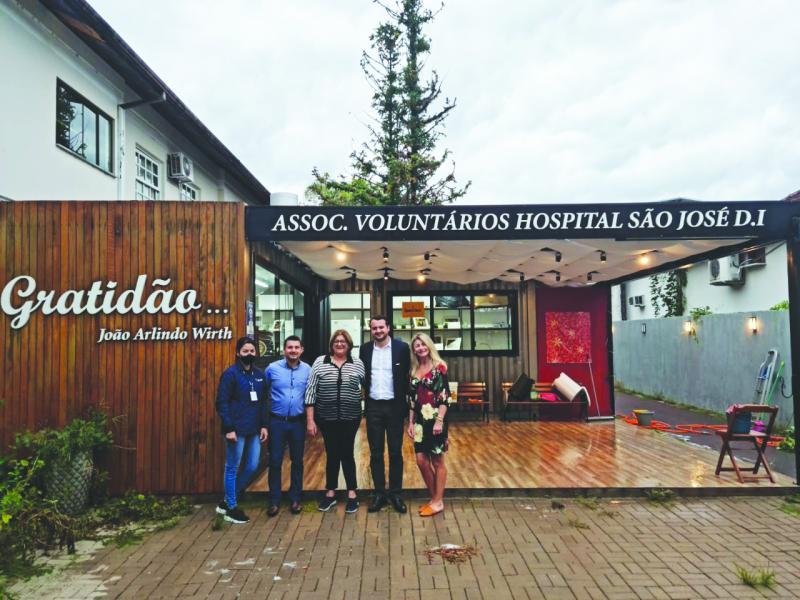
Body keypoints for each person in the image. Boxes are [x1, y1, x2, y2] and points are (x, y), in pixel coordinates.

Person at [305, 329, 365, 514]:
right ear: (331, 344)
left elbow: (365, 387)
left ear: (349, 344)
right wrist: (310, 420)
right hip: (327, 418)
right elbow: (310, 391)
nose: (340, 344)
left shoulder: (357, 363)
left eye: (343, 341)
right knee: (332, 454)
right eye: (336, 341)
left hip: (350, 417)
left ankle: (352, 495)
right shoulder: (320, 362)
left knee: (347, 454)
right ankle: (330, 493)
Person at [359, 315, 411, 514]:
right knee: (376, 452)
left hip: (395, 407)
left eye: (381, 327)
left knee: (396, 452)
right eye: (374, 328)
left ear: (388, 327)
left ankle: (396, 493)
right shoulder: (365, 349)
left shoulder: (401, 348)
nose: (378, 331)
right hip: (373, 407)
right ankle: (379, 493)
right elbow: (363, 376)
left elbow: (407, 374)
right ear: (370, 330)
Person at [215, 336, 269, 524]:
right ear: (238, 353)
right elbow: (222, 403)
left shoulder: (260, 375)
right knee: (232, 468)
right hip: (236, 430)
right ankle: (231, 507)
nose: (249, 354)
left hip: (254, 429)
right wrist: (229, 428)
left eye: (252, 351)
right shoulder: (230, 374)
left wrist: (263, 425)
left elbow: (263, 402)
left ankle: (229, 499)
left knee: (252, 466)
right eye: (245, 351)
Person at [264, 336, 311, 517]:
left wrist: (310, 420)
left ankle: (295, 499)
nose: (293, 350)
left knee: (297, 461)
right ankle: (274, 501)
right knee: (275, 461)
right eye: (289, 347)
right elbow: (264, 393)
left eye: (296, 347)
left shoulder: (307, 370)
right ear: (284, 350)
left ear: (301, 350)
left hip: (297, 422)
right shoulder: (272, 369)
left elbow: (310, 396)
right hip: (277, 422)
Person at [407, 333, 450, 517]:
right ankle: (434, 498)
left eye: (423, 344)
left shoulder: (439, 368)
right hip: (418, 423)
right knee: (421, 461)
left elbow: (445, 397)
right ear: (414, 350)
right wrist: (410, 421)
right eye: (417, 345)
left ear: (429, 346)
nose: (421, 348)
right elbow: (411, 399)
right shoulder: (414, 370)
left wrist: (439, 420)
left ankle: (437, 501)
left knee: (437, 461)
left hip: (435, 421)